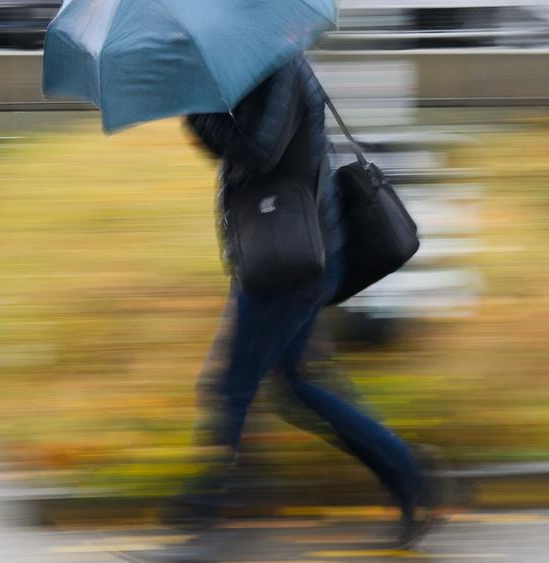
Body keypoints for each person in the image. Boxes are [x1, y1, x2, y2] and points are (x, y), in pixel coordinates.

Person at [166, 54, 438, 548]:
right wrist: (203, 112)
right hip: (284, 252)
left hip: (293, 260)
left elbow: (258, 152)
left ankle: (201, 525)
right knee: (293, 385)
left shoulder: (279, 68)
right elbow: (241, 153)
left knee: (231, 388)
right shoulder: (258, 66)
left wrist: (199, 110)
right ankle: (411, 473)